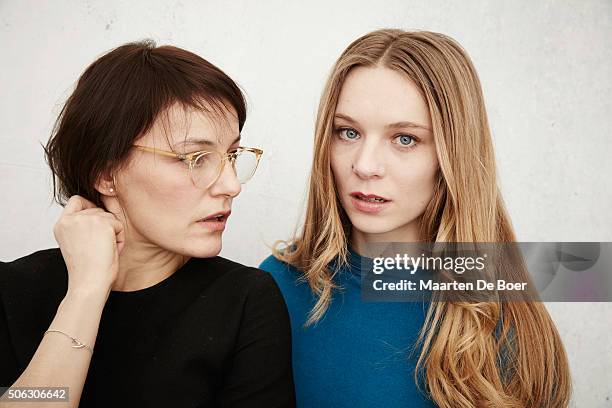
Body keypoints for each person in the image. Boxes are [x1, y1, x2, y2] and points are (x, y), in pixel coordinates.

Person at [260, 29, 571, 407]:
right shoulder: (274, 288)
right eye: (348, 132)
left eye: (404, 138)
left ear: (451, 155)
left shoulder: (506, 305)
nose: (365, 165)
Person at [0, 40, 295, 407]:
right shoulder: (11, 292)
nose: (232, 185)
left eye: (232, 155)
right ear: (105, 172)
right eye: (196, 157)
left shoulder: (245, 301)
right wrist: (85, 294)